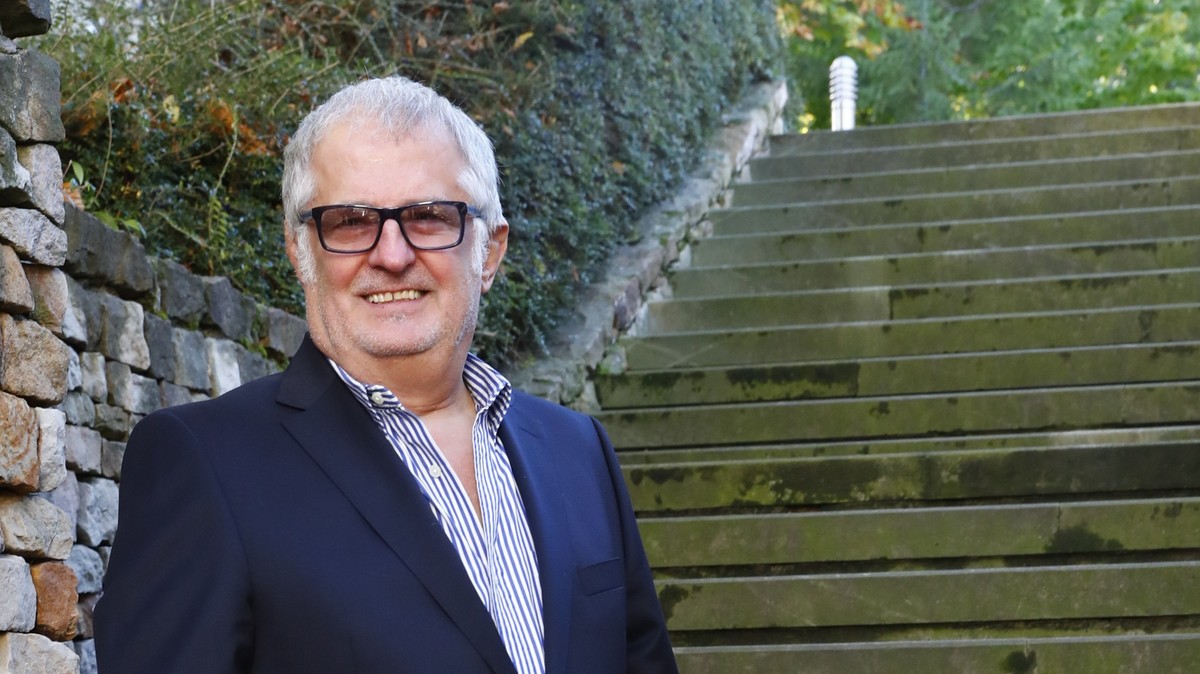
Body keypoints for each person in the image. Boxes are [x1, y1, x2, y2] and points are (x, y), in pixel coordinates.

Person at [94, 76, 678, 674]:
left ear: (490, 251)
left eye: (429, 216)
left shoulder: (578, 452)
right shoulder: (205, 463)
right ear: (299, 252)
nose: (392, 255)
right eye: (350, 221)